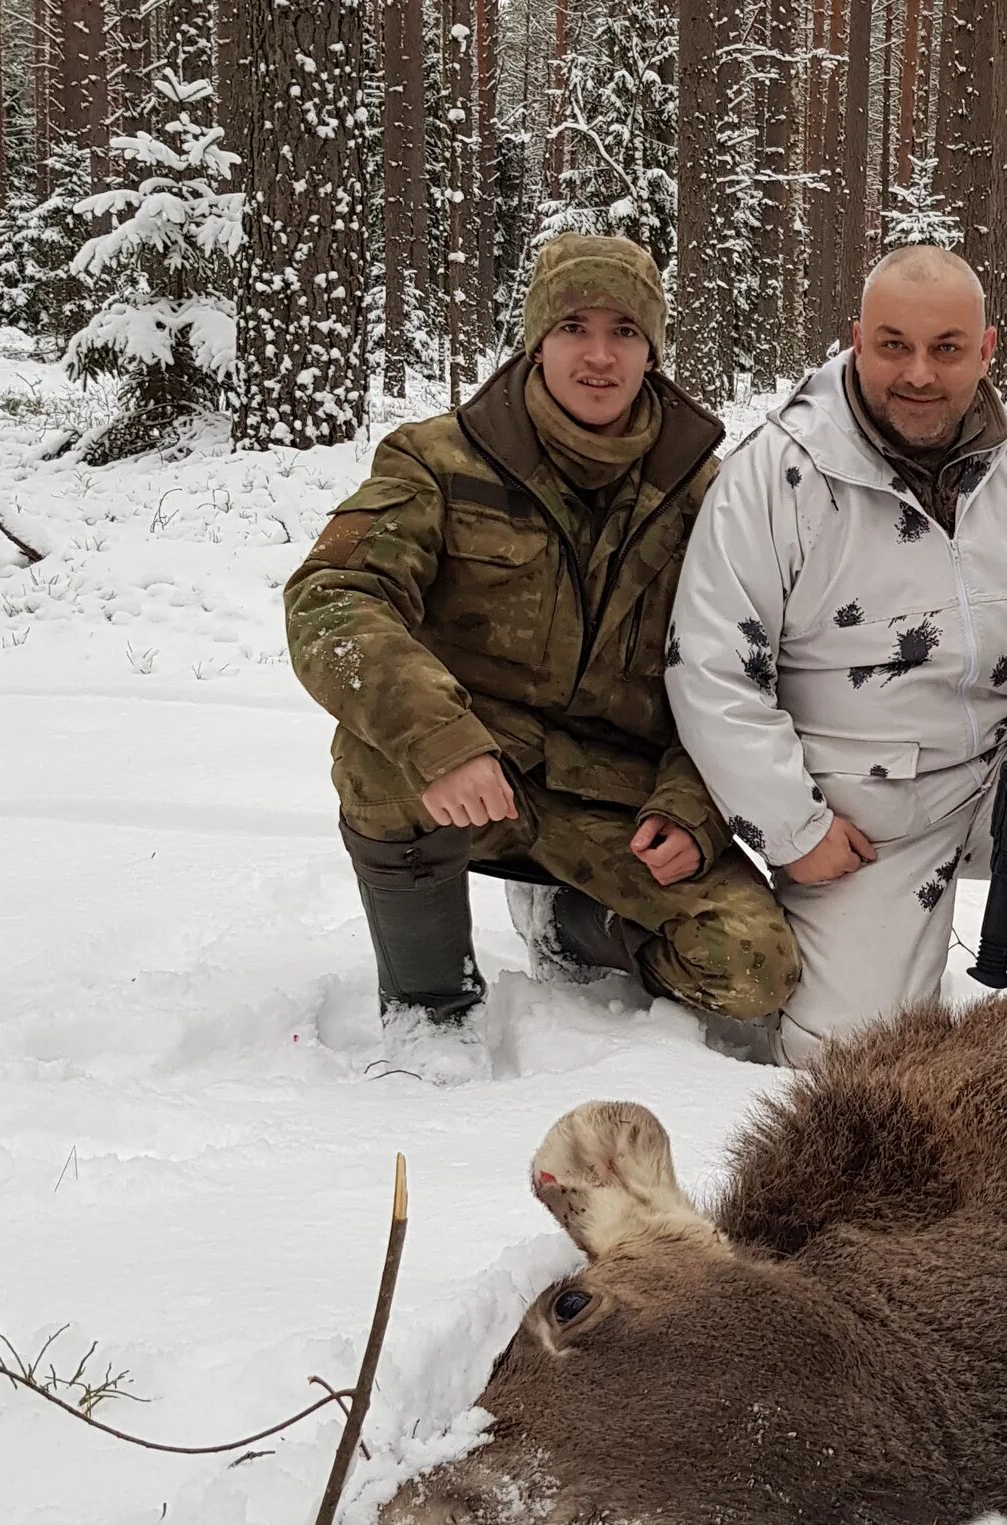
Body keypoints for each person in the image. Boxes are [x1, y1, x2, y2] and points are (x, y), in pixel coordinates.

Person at [668, 241, 1007, 1062]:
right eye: (894, 345)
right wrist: (793, 828)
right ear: (857, 338)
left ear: (987, 349)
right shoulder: (777, 476)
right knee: (853, 1066)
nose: (918, 373)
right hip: (861, 814)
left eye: (947, 348)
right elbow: (709, 669)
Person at [286, 233, 798, 1050]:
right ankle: (431, 1010)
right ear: (536, 338)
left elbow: (746, 670)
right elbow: (332, 599)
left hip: (618, 800)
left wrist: (692, 809)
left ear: (653, 349)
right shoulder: (437, 460)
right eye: (573, 328)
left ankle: (569, 926)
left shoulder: (711, 495)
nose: (599, 356)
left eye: (625, 331)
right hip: (476, 775)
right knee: (379, 752)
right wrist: (443, 739)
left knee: (752, 969)